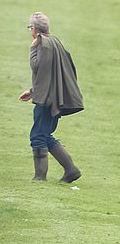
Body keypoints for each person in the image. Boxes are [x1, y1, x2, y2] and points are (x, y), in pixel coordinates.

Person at [19, 12, 83, 183]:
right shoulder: (55, 41)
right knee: (45, 134)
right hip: (53, 96)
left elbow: (38, 67)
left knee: (38, 136)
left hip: (47, 99)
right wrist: (32, 91)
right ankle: (71, 170)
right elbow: (48, 74)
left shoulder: (42, 45)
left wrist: (33, 48)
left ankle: (40, 177)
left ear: (34, 29)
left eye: (30, 27)